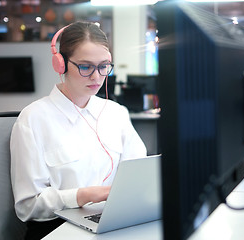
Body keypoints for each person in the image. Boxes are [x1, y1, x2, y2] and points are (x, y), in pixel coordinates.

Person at [10, 21, 147, 240]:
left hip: (113, 221)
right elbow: (28, 206)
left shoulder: (116, 113)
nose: (96, 77)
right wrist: (83, 196)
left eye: (104, 66)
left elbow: (139, 174)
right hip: (57, 227)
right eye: (85, 66)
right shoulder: (33, 119)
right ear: (60, 65)